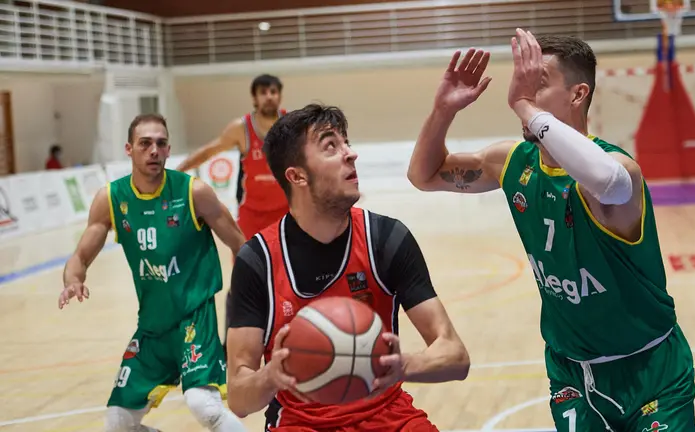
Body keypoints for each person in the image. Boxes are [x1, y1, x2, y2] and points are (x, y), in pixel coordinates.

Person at [407, 31, 695, 432]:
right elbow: (422, 176)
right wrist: (442, 111)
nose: (521, 91)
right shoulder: (511, 162)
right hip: (570, 374)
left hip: (650, 372)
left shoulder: (617, 171)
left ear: (577, 95)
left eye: (536, 82)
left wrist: (523, 105)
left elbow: (604, 180)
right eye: (522, 81)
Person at [226, 104, 471, 431]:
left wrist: (405, 365)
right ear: (297, 175)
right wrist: (271, 376)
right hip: (300, 422)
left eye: (347, 143)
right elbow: (239, 400)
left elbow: (455, 355)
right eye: (331, 146)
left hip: (388, 414)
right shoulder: (257, 260)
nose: (351, 154)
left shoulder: (386, 238)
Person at [58, 113, 247, 432]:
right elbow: (80, 256)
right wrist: (72, 280)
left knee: (203, 406)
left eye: (160, 144)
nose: (154, 150)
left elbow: (241, 245)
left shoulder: (193, 191)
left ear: (169, 150)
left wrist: (258, 294)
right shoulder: (111, 198)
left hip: (193, 319)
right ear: (129, 149)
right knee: (117, 425)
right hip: (151, 327)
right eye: (145, 143)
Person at [176, 74, 289, 241]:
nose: (269, 96)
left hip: (286, 211)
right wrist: (176, 172)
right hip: (252, 213)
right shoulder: (241, 128)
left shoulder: (292, 124)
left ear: (280, 96)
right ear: (255, 98)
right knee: (245, 264)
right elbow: (208, 151)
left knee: (287, 265)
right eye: (263, 92)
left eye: (273, 92)